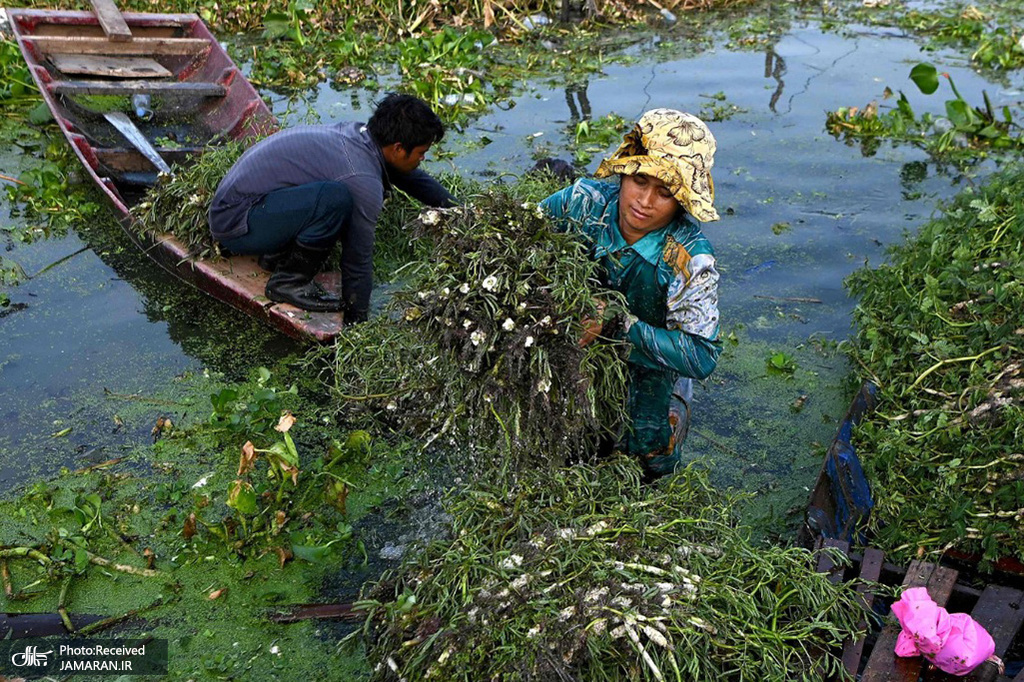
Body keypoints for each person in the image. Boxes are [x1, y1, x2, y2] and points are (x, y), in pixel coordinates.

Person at [541, 109, 722, 477]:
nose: (645, 201)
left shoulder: (687, 258)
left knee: (648, 452)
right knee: (571, 447)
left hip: (652, 363)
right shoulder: (583, 203)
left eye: (665, 192)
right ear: (623, 173)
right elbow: (523, 236)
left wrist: (618, 322)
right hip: (578, 353)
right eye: (640, 181)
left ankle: (668, 431)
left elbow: (703, 356)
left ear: (682, 201)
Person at [209, 93, 457, 318]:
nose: (423, 159)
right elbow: (357, 259)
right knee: (334, 200)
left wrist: (461, 212)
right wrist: (356, 322)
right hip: (236, 221)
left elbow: (408, 175)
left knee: (330, 195)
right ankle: (288, 283)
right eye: (422, 153)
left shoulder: (361, 136)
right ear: (398, 148)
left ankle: (274, 256)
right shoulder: (361, 177)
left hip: (256, 205)